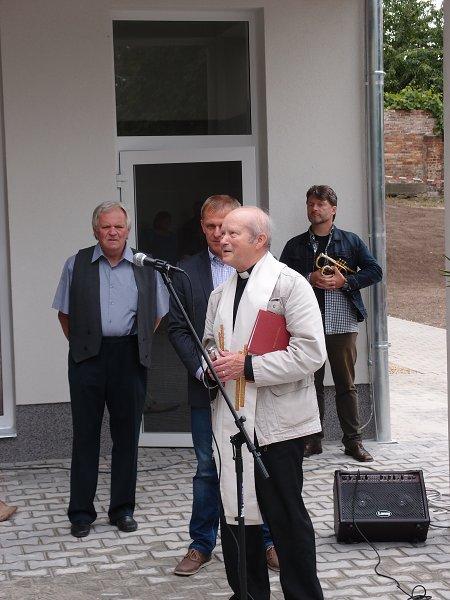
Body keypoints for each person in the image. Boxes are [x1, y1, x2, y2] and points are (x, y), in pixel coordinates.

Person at [203, 206, 326, 600]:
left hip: (278, 426)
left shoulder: (289, 285)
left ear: (259, 240)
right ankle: (248, 594)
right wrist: (211, 367)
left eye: (232, 233)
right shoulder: (220, 292)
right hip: (232, 423)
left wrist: (247, 366)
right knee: (236, 517)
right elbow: (209, 343)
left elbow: (311, 353)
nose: (222, 238)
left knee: (286, 520)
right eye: (220, 232)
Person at [168, 196, 278, 576]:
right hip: (208, 390)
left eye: (225, 226)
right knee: (207, 468)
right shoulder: (185, 272)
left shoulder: (262, 272)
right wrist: (204, 368)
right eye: (211, 226)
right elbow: (178, 328)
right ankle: (201, 544)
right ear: (202, 227)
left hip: (254, 389)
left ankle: (267, 541)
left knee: (256, 463)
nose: (219, 234)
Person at [52, 201, 167, 538]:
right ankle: (81, 514)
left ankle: (122, 510)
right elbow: (64, 314)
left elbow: (156, 315)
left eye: (119, 226)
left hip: (129, 357)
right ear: (95, 231)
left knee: (127, 437)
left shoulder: (145, 266)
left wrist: (136, 342)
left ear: (128, 230)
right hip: (88, 357)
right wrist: (85, 344)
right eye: (106, 227)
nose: (113, 232)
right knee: (85, 436)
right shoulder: (76, 264)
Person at [280, 185, 382, 462]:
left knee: (345, 385)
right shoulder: (295, 245)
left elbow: (375, 271)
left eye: (321, 204)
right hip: (306, 323)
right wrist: (309, 278)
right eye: (311, 204)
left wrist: (345, 281)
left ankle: (353, 441)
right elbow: (280, 279)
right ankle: (313, 439)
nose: (314, 208)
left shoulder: (351, 241)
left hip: (342, 322)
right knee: (309, 384)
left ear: (333, 209)